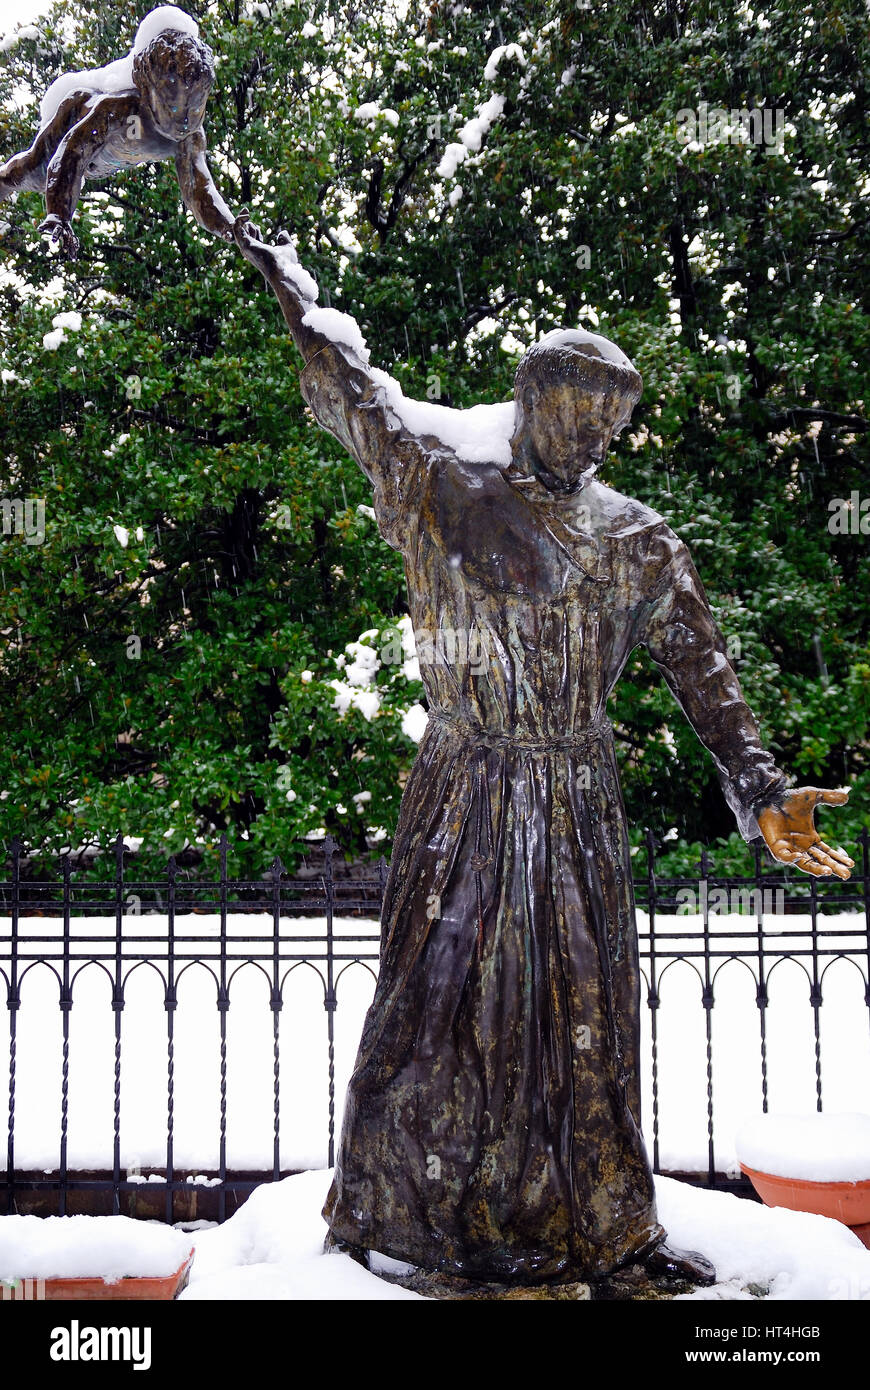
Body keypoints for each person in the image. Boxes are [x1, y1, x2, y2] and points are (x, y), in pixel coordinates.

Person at [232, 212, 853, 1287]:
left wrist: (759, 789)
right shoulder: (443, 487)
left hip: (573, 798)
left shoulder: (635, 538)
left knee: (581, 1018)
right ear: (532, 403)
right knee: (441, 1008)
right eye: (580, 415)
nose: (597, 440)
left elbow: (706, 676)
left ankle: (589, 1226)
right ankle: (417, 1226)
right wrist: (228, 219)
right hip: (467, 788)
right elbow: (344, 369)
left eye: (613, 423)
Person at [0, 6, 242, 257]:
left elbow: (198, 191)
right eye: (174, 105)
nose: (183, 120)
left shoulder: (190, 138)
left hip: (109, 161)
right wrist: (59, 214)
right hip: (72, 122)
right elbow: (72, 152)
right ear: (149, 91)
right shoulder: (120, 110)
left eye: (194, 108)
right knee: (33, 171)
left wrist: (231, 228)